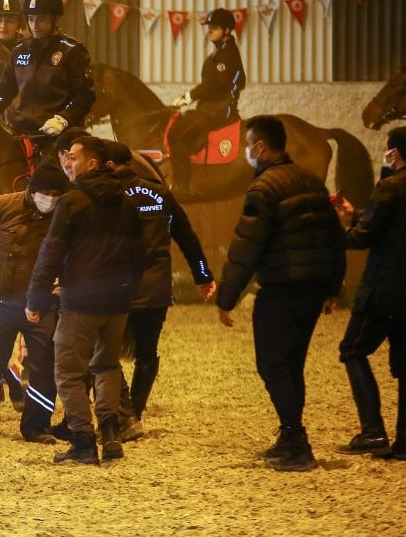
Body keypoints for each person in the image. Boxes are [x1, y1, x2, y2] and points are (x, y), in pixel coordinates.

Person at [215, 115, 346, 472]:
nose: (245, 151)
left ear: (260, 147)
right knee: (292, 365)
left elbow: (245, 250)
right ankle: (289, 438)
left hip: (281, 290)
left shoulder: (262, 189)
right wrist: (334, 287)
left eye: (247, 145)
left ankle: (298, 442)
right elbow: (334, 238)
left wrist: (225, 298)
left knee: (272, 365)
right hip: (312, 290)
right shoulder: (311, 182)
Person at [27, 136, 143, 465]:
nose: (67, 163)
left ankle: (82, 440)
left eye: (74, 158)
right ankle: (109, 433)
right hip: (117, 301)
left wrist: (35, 298)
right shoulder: (126, 202)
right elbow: (139, 253)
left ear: (91, 164)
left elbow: (50, 253)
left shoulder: (73, 202)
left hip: (81, 302)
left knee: (67, 372)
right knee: (106, 366)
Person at [101, 140, 216, 441]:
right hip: (156, 287)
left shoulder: (107, 196)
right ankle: (135, 413)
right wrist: (203, 275)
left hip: (119, 287)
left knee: (104, 351)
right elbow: (187, 236)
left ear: (109, 165)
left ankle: (121, 414)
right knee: (147, 353)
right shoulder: (161, 193)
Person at [0, 160, 69, 442]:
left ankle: (36, 426)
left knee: (44, 367)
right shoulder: (1, 205)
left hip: (41, 305)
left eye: (57, 195)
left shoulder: (65, 215)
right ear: (32, 191)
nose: (51, 200)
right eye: (46, 193)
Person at [332, 125, 406, 460]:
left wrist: (338, 229)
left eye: (388, 149)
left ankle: (373, 430)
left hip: (384, 288)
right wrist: (356, 215)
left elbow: (363, 237)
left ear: (396, 152)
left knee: (352, 349)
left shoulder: (390, 186)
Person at [0, 0, 95, 162]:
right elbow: (4, 90)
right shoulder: (18, 51)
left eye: (41, 19)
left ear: (55, 19)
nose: (34, 25)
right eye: (31, 19)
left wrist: (63, 119)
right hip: (21, 134)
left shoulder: (72, 51)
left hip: (60, 136)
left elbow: (85, 95)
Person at [167, 8, 246, 193]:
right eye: (209, 26)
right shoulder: (220, 52)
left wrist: (187, 97)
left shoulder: (227, 55)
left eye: (215, 27)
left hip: (218, 111)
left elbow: (213, 85)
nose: (210, 30)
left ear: (227, 30)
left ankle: (182, 187)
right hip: (209, 107)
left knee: (176, 135)